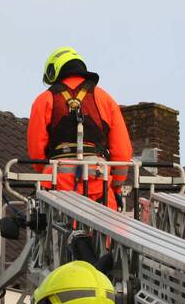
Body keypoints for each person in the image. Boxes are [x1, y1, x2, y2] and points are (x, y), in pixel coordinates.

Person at [27, 46, 133, 210]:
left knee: (53, 231)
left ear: (54, 70)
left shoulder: (44, 100)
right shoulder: (105, 99)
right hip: (100, 187)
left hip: (56, 190)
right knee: (112, 232)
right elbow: (123, 152)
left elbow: (36, 152)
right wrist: (116, 187)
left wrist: (49, 173)